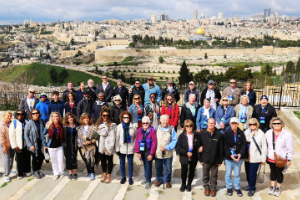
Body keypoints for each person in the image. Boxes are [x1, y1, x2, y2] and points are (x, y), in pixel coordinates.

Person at [266, 117, 294, 197]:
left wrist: (289, 159)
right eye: (274, 123)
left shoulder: (287, 134)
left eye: (278, 123)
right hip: (271, 157)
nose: (276, 125)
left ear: (282, 124)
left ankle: (278, 187)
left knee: (279, 173)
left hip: (281, 158)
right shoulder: (268, 133)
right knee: (272, 172)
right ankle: (272, 186)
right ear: (272, 124)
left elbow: (290, 148)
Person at [199, 118, 224, 197]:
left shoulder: (219, 135)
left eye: (212, 123)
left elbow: (221, 149)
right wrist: (200, 159)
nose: (211, 125)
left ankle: (213, 188)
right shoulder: (202, 134)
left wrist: (220, 160)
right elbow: (199, 147)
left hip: (215, 159)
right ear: (207, 123)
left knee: (214, 175)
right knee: (205, 174)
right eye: (209, 123)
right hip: (205, 158)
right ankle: (206, 187)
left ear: (215, 124)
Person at [243, 118, 267, 197]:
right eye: (250, 124)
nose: (252, 126)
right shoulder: (246, 132)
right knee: (248, 173)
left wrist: (263, 159)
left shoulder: (261, 133)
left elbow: (264, 147)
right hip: (247, 157)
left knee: (253, 174)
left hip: (256, 157)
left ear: (257, 124)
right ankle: (250, 185)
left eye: (254, 124)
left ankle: (252, 188)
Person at [224, 117, 247, 197]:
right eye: (232, 123)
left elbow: (244, 144)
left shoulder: (241, 133)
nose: (234, 125)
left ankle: (237, 187)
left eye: (235, 123)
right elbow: (225, 145)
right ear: (230, 124)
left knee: (237, 174)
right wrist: (230, 155)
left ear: (237, 124)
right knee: (228, 174)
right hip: (229, 158)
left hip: (238, 157)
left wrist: (240, 153)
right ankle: (229, 187)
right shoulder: (226, 133)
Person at [154, 115, 177, 188]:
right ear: (160, 120)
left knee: (168, 168)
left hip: (168, 153)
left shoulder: (171, 129)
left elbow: (174, 141)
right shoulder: (156, 128)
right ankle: (159, 180)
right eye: (163, 120)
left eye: (166, 120)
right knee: (158, 167)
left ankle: (167, 181)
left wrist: (166, 147)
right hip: (158, 152)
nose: (165, 122)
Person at [177, 120, 199, 192]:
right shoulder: (181, 136)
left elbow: (200, 144)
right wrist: (186, 153)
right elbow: (178, 148)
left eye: (190, 126)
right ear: (185, 127)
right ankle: (183, 184)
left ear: (193, 127)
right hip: (184, 157)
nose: (189, 127)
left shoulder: (196, 135)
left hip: (194, 157)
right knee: (184, 171)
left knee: (192, 171)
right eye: (187, 126)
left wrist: (201, 147)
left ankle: (189, 184)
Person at [95, 106, 117, 183]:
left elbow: (112, 137)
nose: (105, 117)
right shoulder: (97, 125)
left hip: (108, 146)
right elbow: (96, 135)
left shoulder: (112, 125)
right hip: (101, 145)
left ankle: (109, 175)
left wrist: (109, 148)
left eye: (107, 115)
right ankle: (104, 174)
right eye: (104, 115)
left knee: (110, 161)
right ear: (101, 116)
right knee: (103, 161)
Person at [135, 116, 157, 189]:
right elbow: (137, 141)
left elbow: (154, 143)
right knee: (144, 166)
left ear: (149, 123)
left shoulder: (152, 131)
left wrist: (151, 154)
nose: (145, 124)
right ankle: (146, 178)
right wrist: (138, 152)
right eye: (143, 123)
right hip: (142, 150)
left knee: (148, 167)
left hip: (148, 150)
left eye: (146, 123)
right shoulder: (139, 130)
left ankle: (148, 181)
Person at [116, 111, 137, 185]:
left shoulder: (133, 126)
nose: (126, 119)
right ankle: (123, 177)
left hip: (130, 147)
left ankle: (130, 177)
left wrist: (134, 145)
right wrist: (117, 148)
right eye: (124, 117)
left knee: (130, 163)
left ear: (130, 118)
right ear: (122, 118)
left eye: (127, 117)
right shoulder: (119, 126)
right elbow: (117, 138)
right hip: (122, 148)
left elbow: (135, 137)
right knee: (122, 163)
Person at [9, 109, 31, 179]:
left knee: (27, 158)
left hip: (27, 144)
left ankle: (27, 171)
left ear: (24, 115)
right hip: (19, 145)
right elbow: (12, 136)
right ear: (16, 115)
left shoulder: (27, 122)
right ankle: (20, 173)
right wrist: (15, 146)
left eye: (22, 114)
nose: (20, 116)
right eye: (18, 114)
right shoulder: (14, 123)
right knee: (19, 159)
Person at [42, 112, 65, 180]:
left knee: (61, 161)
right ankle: (56, 173)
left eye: (57, 116)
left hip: (60, 146)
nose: (55, 118)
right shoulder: (48, 125)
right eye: (54, 116)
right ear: (51, 117)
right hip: (51, 146)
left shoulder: (61, 125)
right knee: (54, 161)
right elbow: (43, 135)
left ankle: (61, 172)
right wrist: (45, 145)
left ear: (59, 117)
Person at [24, 109, 45, 179]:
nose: (35, 114)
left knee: (41, 157)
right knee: (35, 158)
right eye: (33, 113)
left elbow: (44, 132)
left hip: (41, 143)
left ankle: (38, 169)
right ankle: (35, 171)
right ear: (31, 115)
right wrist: (30, 145)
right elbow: (26, 135)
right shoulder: (29, 123)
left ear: (39, 114)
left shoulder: (41, 121)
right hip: (33, 144)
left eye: (36, 113)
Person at [77, 113, 98, 181]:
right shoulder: (80, 127)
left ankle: (92, 173)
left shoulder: (93, 127)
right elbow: (78, 137)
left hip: (90, 146)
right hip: (82, 146)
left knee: (90, 160)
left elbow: (96, 137)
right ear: (82, 119)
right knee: (85, 160)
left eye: (87, 118)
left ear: (89, 119)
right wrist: (80, 143)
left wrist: (91, 142)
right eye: (84, 118)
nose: (86, 119)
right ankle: (88, 172)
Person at [63, 112, 79, 180]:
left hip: (74, 144)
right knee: (68, 159)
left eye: (71, 117)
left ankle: (75, 173)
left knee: (74, 158)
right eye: (68, 118)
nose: (70, 119)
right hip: (67, 145)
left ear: (73, 117)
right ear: (66, 119)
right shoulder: (65, 126)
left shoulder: (77, 125)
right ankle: (70, 173)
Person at [0, 111, 14, 182]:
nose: (9, 117)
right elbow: (1, 138)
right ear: (4, 116)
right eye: (8, 116)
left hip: (11, 144)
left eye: (10, 116)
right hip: (4, 145)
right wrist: (5, 147)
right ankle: (6, 174)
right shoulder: (1, 125)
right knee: (6, 160)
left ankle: (10, 170)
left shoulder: (11, 123)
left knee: (11, 159)